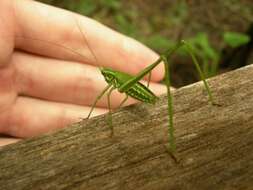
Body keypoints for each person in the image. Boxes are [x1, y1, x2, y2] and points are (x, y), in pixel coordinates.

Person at [0, 0, 166, 146]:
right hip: (131, 86)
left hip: (135, 88)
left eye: (105, 75)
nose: (104, 76)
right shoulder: (111, 78)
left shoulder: (114, 81)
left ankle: (111, 124)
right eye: (104, 74)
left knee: (107, 96)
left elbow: (108, 96)